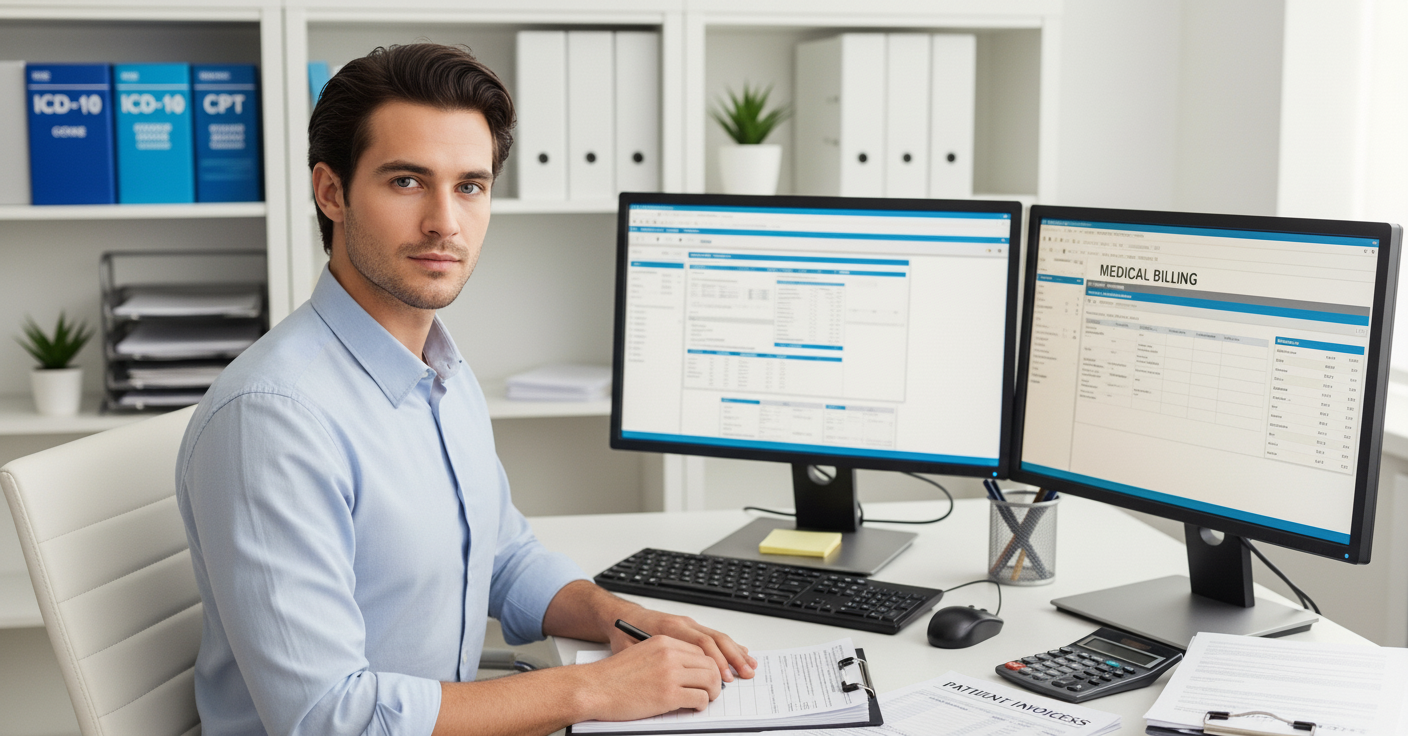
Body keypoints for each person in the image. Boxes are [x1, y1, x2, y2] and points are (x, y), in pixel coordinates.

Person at [175, 43, 756, 736]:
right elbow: (328, 719)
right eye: (407, 181)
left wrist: (620, 620)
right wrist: (591, 689)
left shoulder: (438, 368)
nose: (445, 223)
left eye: (470, 186)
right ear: (331, 192)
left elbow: (502, 556)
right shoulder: (273, 421)